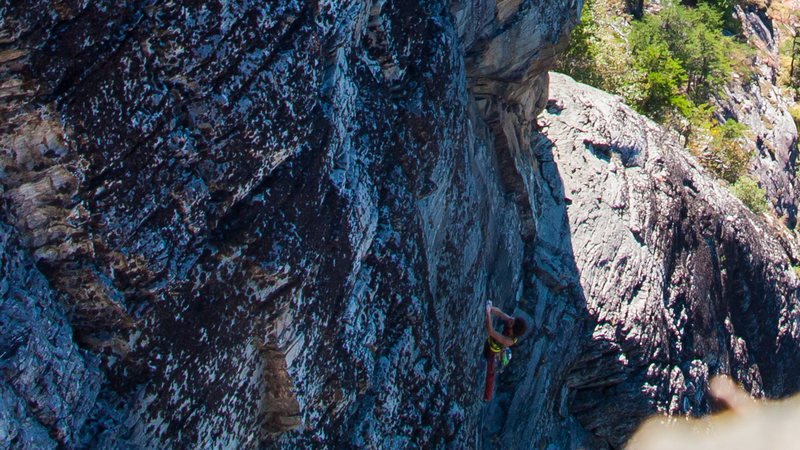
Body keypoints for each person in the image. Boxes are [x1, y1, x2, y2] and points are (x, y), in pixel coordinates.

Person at [483, 300, 528, 402]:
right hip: (492, 342)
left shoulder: (509, 341)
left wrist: (488, 315)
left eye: (512, 322)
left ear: (513, 330)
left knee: (490, 373)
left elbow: (491, 332)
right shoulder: (513, 323)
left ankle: (487, 397)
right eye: (512, 320)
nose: (510, 320)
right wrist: (491, 308)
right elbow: (501, 314)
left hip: (493, 350)